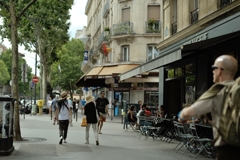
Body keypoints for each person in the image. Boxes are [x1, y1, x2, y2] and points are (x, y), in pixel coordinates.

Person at [178, 55, 240, 159]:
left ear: (219, 70)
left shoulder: (219, 91)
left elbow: (187, 113)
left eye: (213, 68)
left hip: (228, 150)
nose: (212, 71)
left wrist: (181, 117)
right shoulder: (237, 89)